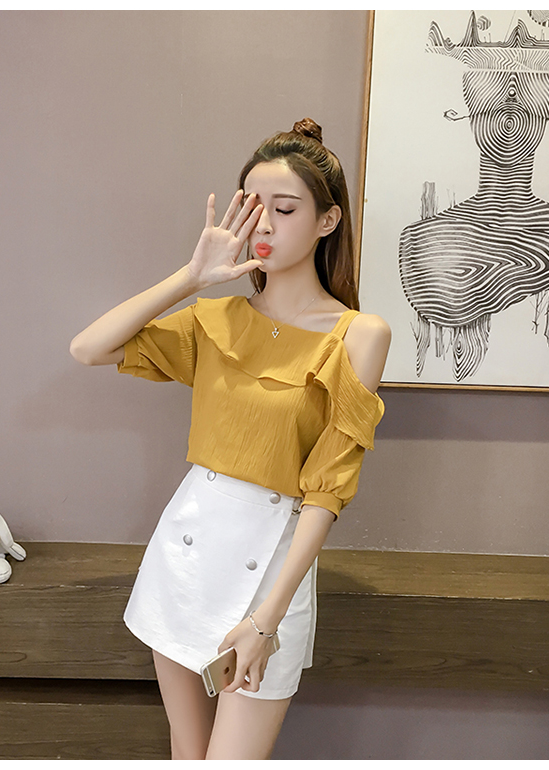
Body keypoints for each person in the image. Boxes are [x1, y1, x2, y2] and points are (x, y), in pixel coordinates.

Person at [70, 118, 391, 760]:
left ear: (328, 221)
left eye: (285, 208)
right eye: (253, 205)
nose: (263, 223)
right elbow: (88, 348)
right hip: (185, 558)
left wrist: (265, 621)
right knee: (186, 754)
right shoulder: (215, 319)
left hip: (270, 576)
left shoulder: (359, 335)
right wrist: (192, 277)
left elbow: (326, 491)